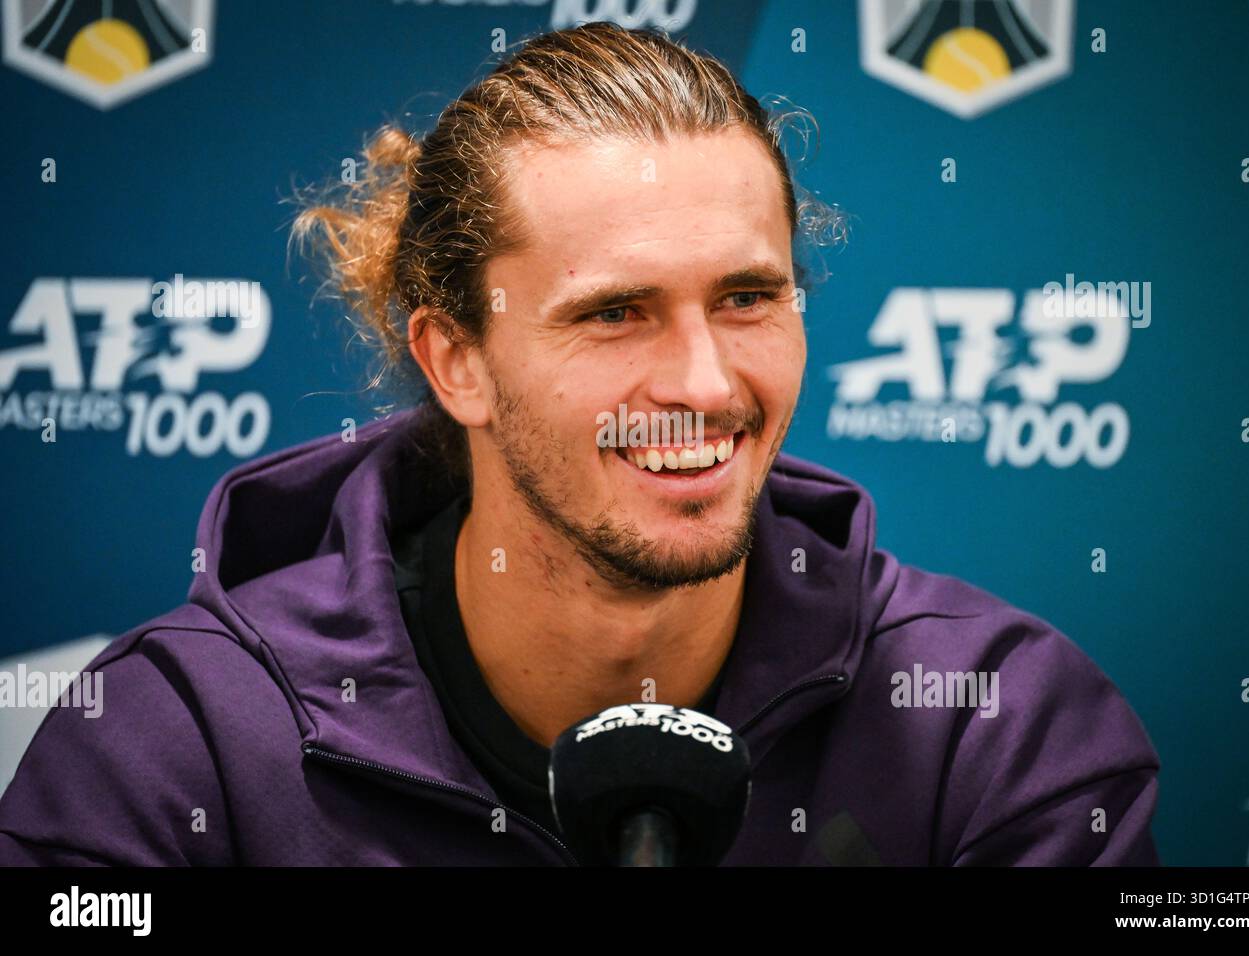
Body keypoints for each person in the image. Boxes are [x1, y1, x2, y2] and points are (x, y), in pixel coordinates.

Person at [0, 21, 1158, 866]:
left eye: (749, 297)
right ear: (456, 359)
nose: (705, 383)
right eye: (614, 312)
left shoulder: (992, 724)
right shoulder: (179, 741)